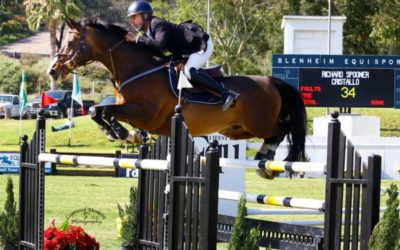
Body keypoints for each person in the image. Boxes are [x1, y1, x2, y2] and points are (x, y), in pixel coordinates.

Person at [125, 0, 239, 111]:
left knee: (189, 71)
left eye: (134, 17)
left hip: (200, 45)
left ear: (145, 16)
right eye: (131, 18)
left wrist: (137, 38)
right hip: (186, 50)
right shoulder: (147, 31)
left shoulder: (156, 24)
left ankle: (227, 93)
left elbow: (159, 45)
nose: (132, 21)